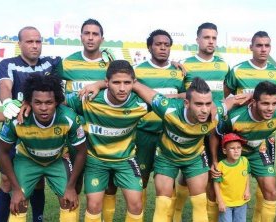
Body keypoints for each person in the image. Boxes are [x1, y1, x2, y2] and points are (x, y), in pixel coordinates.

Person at [132, 77, 246, 222]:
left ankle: (178, 213)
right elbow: (137, 85)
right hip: (167, 157)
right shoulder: (168, 108)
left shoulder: (216, 111)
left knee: (199, 202)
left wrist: (251, 96)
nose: (204, 110)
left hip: (194, 158)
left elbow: (235, 100)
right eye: (198, 104)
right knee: (163, 204)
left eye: (207, 104)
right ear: (186, 103)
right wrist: (99, 84)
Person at [212, 81, 276, 222]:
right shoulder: (235, 117)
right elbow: (215, 134)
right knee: (216, 190)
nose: (270, 108)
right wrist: (215, 160)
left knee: (271, 192)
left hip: (257, 152)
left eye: (274, 103)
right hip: (232, 154)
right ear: (254, 102)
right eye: (265, 103)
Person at [0, 74, 87, 222]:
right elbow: (2, 151)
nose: (43, 108)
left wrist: (71, 187)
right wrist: (16, 189)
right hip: (27, 160)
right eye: (37, 102)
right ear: (29, 102)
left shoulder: (68, 118)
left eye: (49, 102)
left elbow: (82, 152)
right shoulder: (17, 118)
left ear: (57, 101)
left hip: (57, 160)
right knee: (18, 203)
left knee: (69, 202)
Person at [65, 60, 148, 222]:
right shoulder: (89, 98)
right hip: (96, 161)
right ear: (107, 82)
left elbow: (170, 101)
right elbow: (56, 100)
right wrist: (26, 101)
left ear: (134, 83)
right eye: (116, 82)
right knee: (94, 205)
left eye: (127, 83)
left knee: (137, 205)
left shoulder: (141, 103)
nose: (122, 88)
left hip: (125, 161)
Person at [0, 26, 61, 222]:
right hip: (16, 132)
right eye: (29, 41)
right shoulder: (8, 64)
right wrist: (7, 102)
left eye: (38, 41)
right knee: (7, 181)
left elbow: (55, 92)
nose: (34, 45)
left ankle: (38, 219)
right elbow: (5, 86)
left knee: (38, 181)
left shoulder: (52, 63)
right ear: (20, 44)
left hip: (43, 134)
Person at [56, 18, 117, 221]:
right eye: (87, 33)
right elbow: (52, 90)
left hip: (103, 130)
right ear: (81, 36)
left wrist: (100, 83)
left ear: (102, 38)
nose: (90, 37)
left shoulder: (110, 62)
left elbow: (124, 81)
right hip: (73, 132)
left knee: (107, 183)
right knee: (74, 181)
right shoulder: (67, 62)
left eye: (95, 34)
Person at [223, 31, 276, 222]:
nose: (263, 49)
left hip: (261, 140)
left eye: (267, 45)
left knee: (268, 188)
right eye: (259, 45)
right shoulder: (237, 70)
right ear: (251, 47)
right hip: (236, 137)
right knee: (228, 188)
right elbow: (227, 98)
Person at [175, 22, 230, 222]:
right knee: (187, 173)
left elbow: (226, 93)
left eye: (214, 38)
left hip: (215, 129)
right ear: (197, 39)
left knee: (213, 174)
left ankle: (210, 217)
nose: (211, 41)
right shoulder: (185, 64)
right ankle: (177, 212)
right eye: (206, 37)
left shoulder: (223, 65)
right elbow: (181, 94)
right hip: (190, 130)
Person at [133, 29, 185, 220]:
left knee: (167, 182)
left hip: (169, 134)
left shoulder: (179, 72)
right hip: (144, 133)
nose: (163, 48)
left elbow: (188, 96)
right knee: (141, 179)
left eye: (167, 45)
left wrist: (173, 96)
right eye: (158, 44)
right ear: (149, 47)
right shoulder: (137, 71)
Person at [213, 133, 251, 222]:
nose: (236, 151)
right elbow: (216, 183)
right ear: (225, 151)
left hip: (241, 201)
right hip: (226, 203)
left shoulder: (245, 161)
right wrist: (220, 201)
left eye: (238, 148)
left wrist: (247, 190)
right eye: (232, 148)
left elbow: (247, 176)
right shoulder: (221, 165)